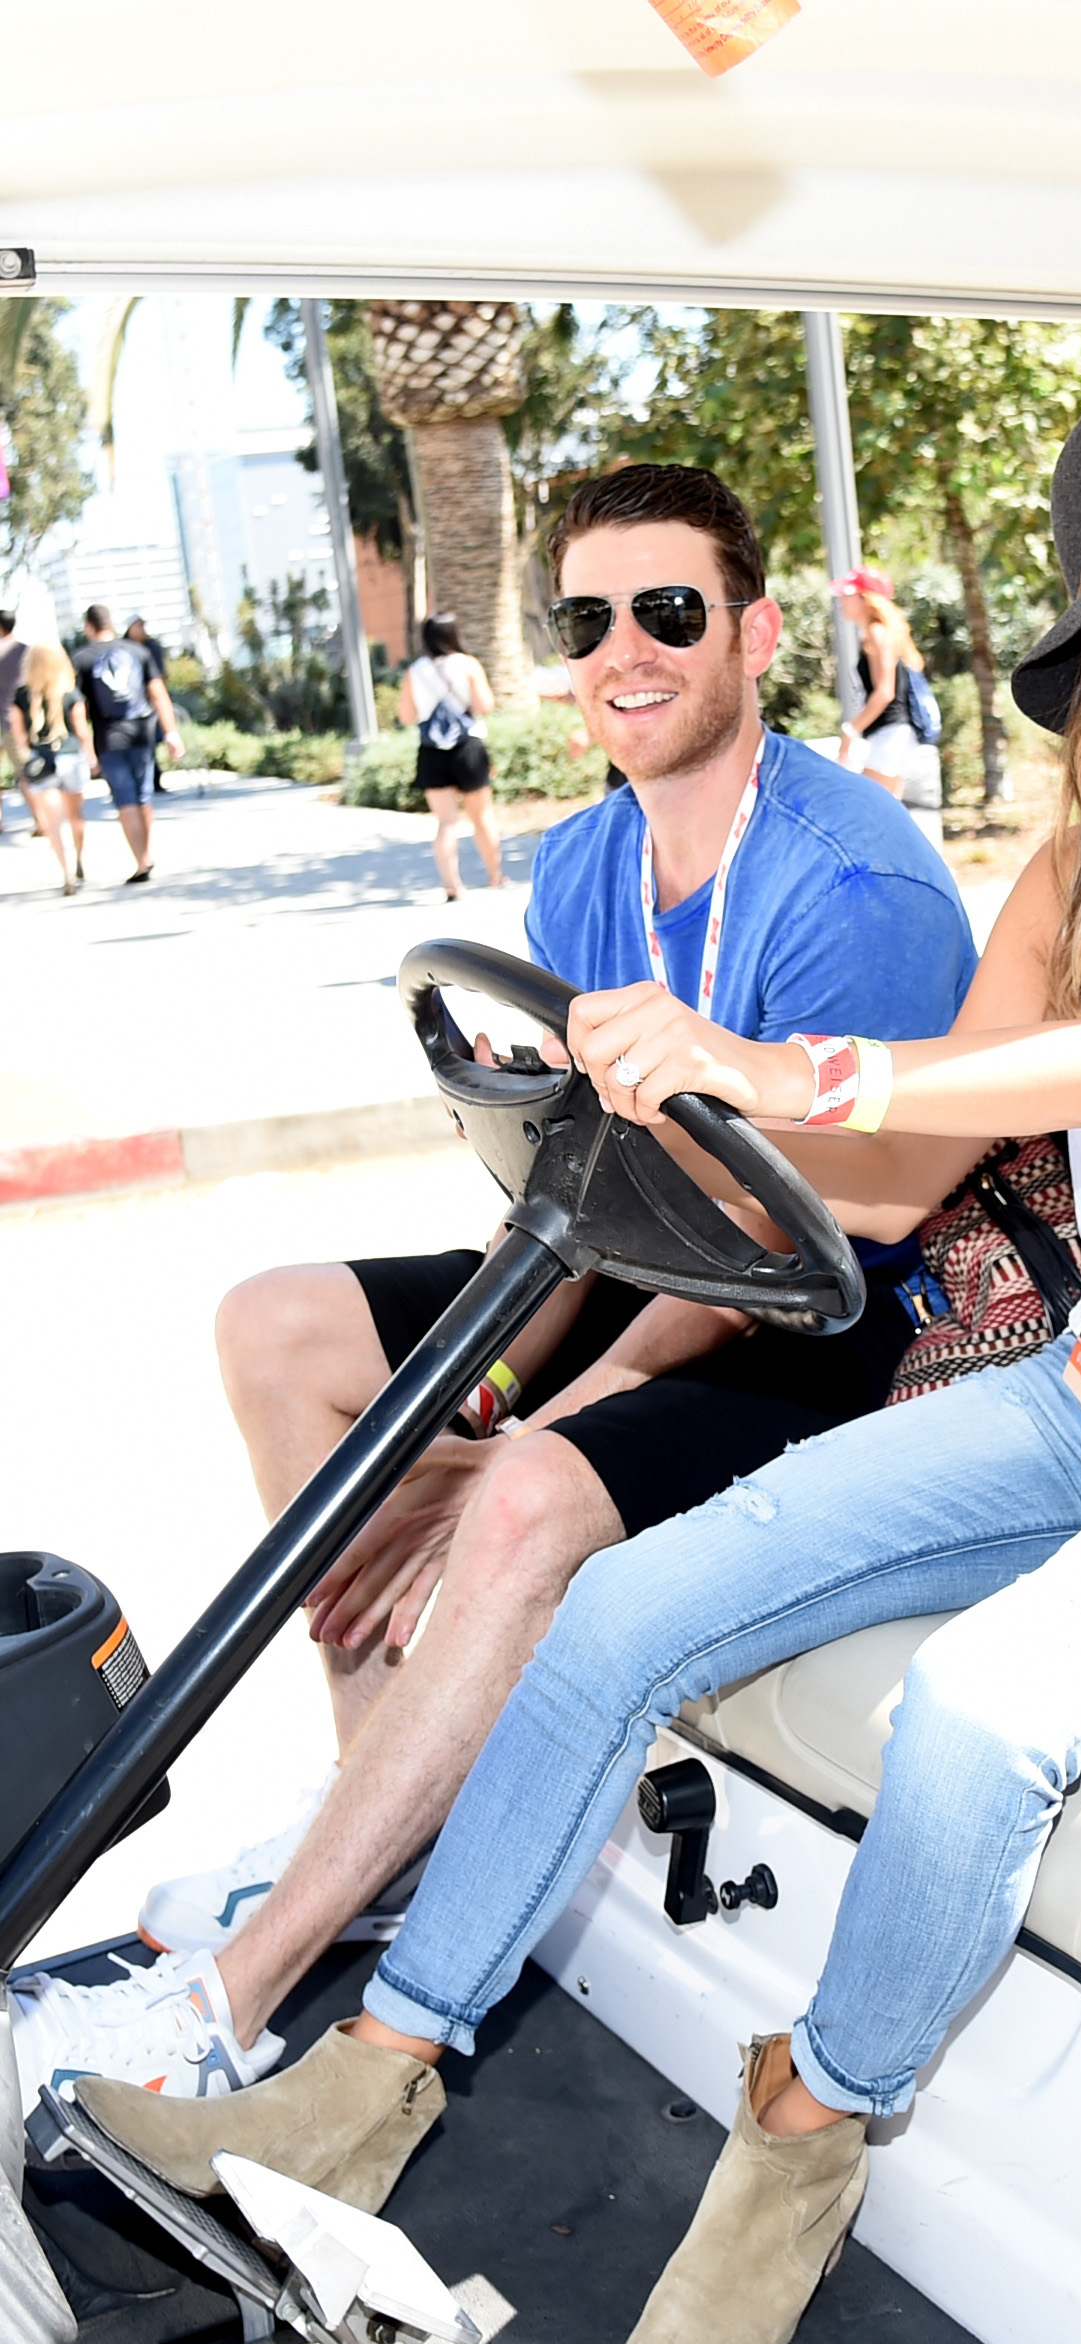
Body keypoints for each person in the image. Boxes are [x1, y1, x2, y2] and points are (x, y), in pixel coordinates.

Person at [65, 358, 1081, 2344]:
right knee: (614, 1599)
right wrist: (665, 1126)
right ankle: (362, 2086)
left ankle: (810, 2120)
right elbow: (898, 1176)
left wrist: (788, 1065)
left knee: (982, 1713)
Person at [9, 463, 976, 2106]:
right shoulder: (592, 863)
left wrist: (506, 1457)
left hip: (842, 1320)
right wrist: (464, 1402)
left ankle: (243, 1994)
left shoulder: (849, 883)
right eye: (587, 617)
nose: (625, 649)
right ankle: (381, 1814)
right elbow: (579, 1191)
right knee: (280, 1326)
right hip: (653, 1253)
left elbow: (768, 1248)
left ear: (748, 633)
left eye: (668, 611)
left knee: (519, 1499)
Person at [73, 605, 183, 884]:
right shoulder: (138, 651)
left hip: (109, 739)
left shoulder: (82, 659)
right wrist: (171, 733)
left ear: (88, 626)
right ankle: (147, 854)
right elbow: (158, 695)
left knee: (125, 800)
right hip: (142, 732)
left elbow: (78, 710)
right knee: (144, 796)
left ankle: (141, 860)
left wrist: (87, 750)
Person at [398, 613, 504, 898]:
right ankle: (495, 875)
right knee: (482, 816)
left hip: (432, 752)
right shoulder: (467, 664)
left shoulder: (414, 671)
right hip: (468, 748)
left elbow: (406, 716)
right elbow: (486, 704)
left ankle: (452, 885)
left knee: (446, 823)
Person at [835, 564, 941, 814]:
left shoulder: (877, 634)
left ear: (865, 599)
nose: (842, 600)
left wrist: (851, 730)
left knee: (864, 810)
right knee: (887, 812)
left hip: (891, 735)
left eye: (848, 594)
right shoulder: (879, 634)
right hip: (894, 736)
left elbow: (885, 692)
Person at [7, 642, 96, 894]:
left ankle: (66, 870)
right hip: (70, 758)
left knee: (52, 823)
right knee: (76, 818)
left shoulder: (22, 696)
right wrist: (92, 758)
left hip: (41, 763)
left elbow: (20, 737)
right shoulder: (71, 693)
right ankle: (78, 858)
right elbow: (82, 732)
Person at [125, 618, 170, 794]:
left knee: (151, 742)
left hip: (151, 703)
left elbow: (160, 676)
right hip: (129, 706)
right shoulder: (124, 648)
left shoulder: (152, 647)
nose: (143, 629)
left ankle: (154, 781)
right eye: (139, 625)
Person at [0, 609, 31, 826]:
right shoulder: (27, 652)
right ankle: (42, 821)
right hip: (19, 718)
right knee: (27, 772)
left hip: (4, 716)